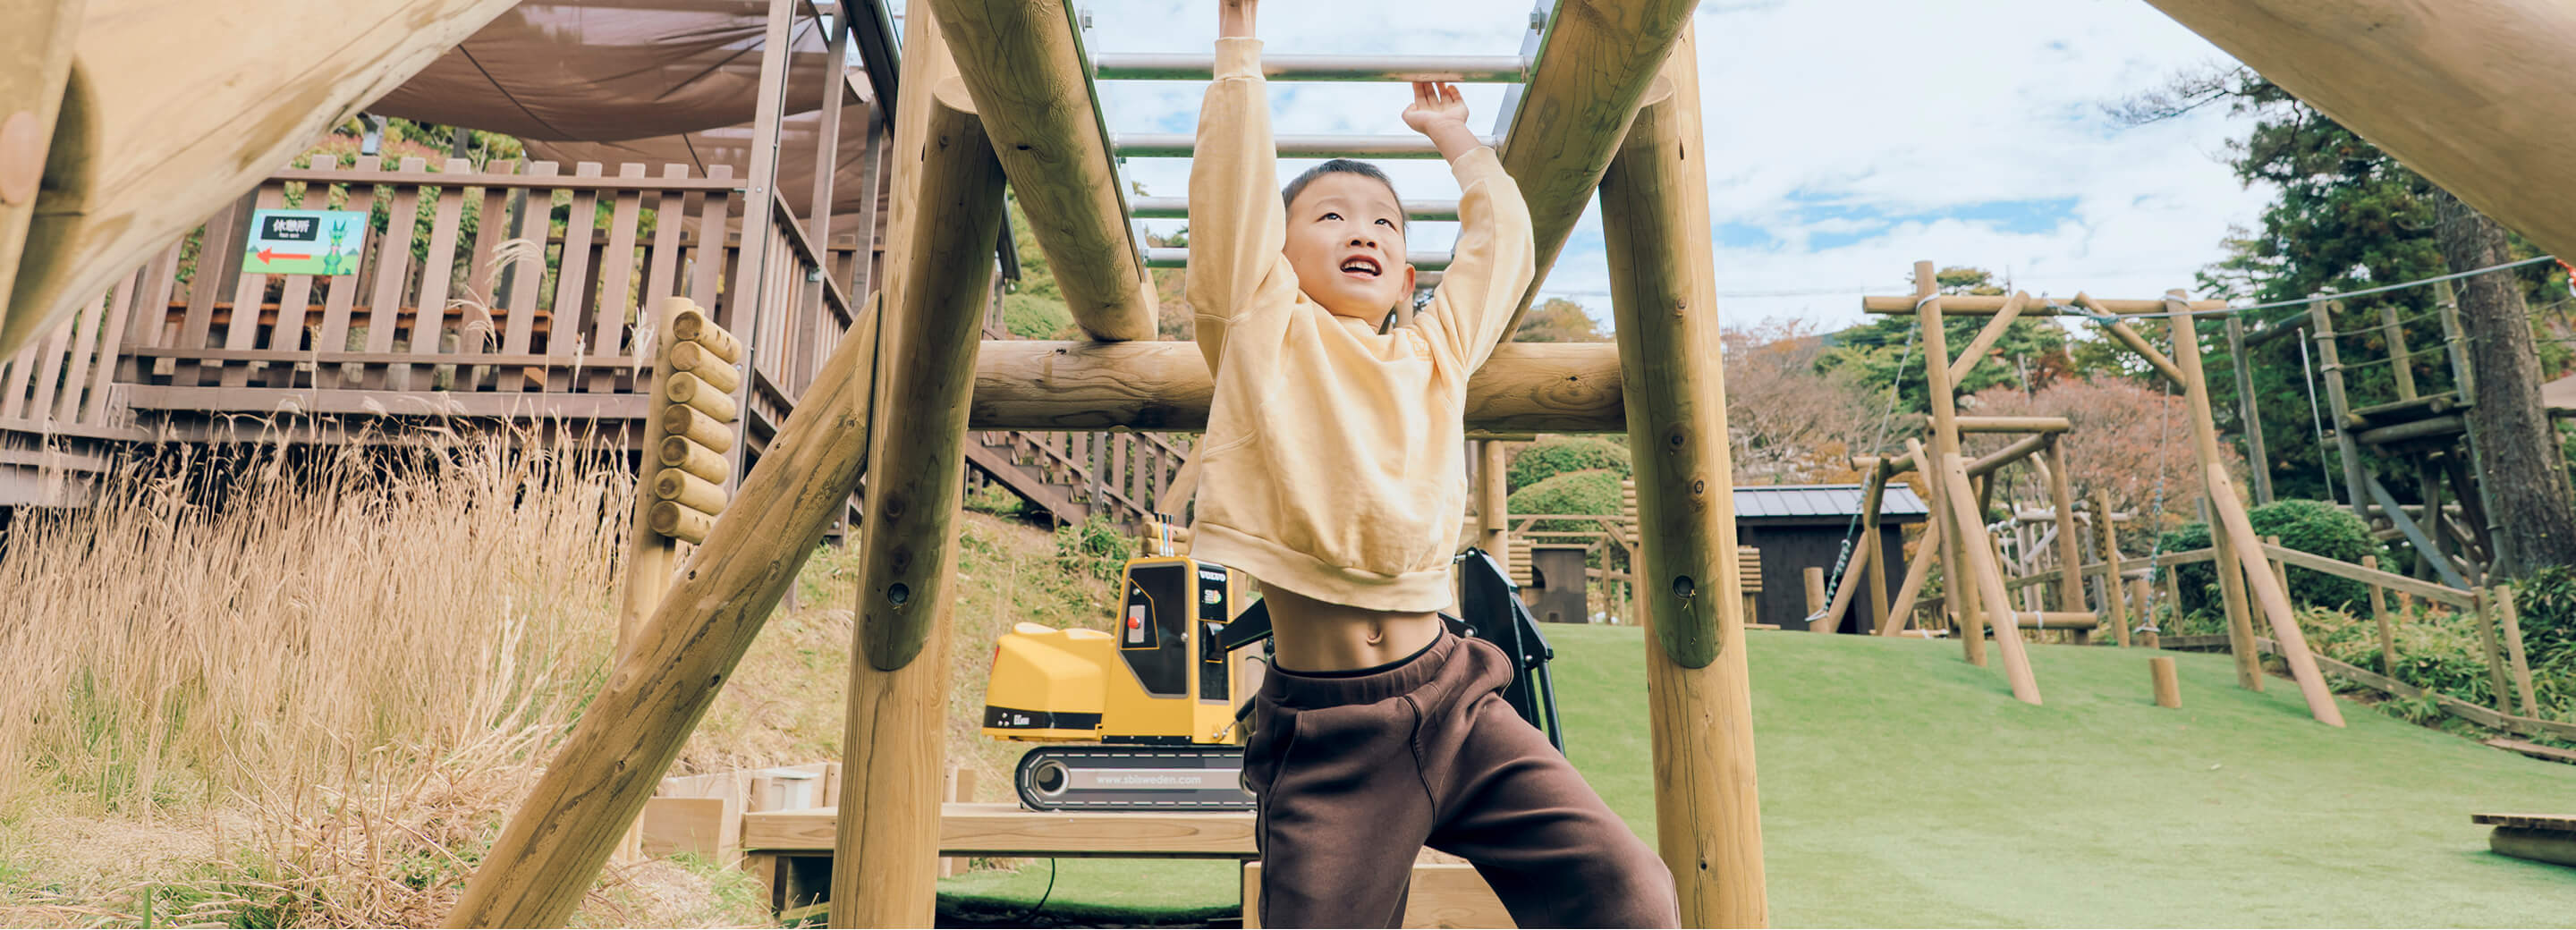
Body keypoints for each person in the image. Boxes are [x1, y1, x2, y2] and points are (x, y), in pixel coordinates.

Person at [1183, 2, 1680, 926]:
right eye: (1330, 216)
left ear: (1408, 278)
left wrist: (1459, 143)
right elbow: (1227, 209)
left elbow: (1503, 253)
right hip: (1330, 733)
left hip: (1455, 695)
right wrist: (1238, 48)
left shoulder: (1435, 352)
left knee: (1631, 890)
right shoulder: (1262, 330)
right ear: (1276, 256)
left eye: (1385, 223)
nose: (1363, 231)